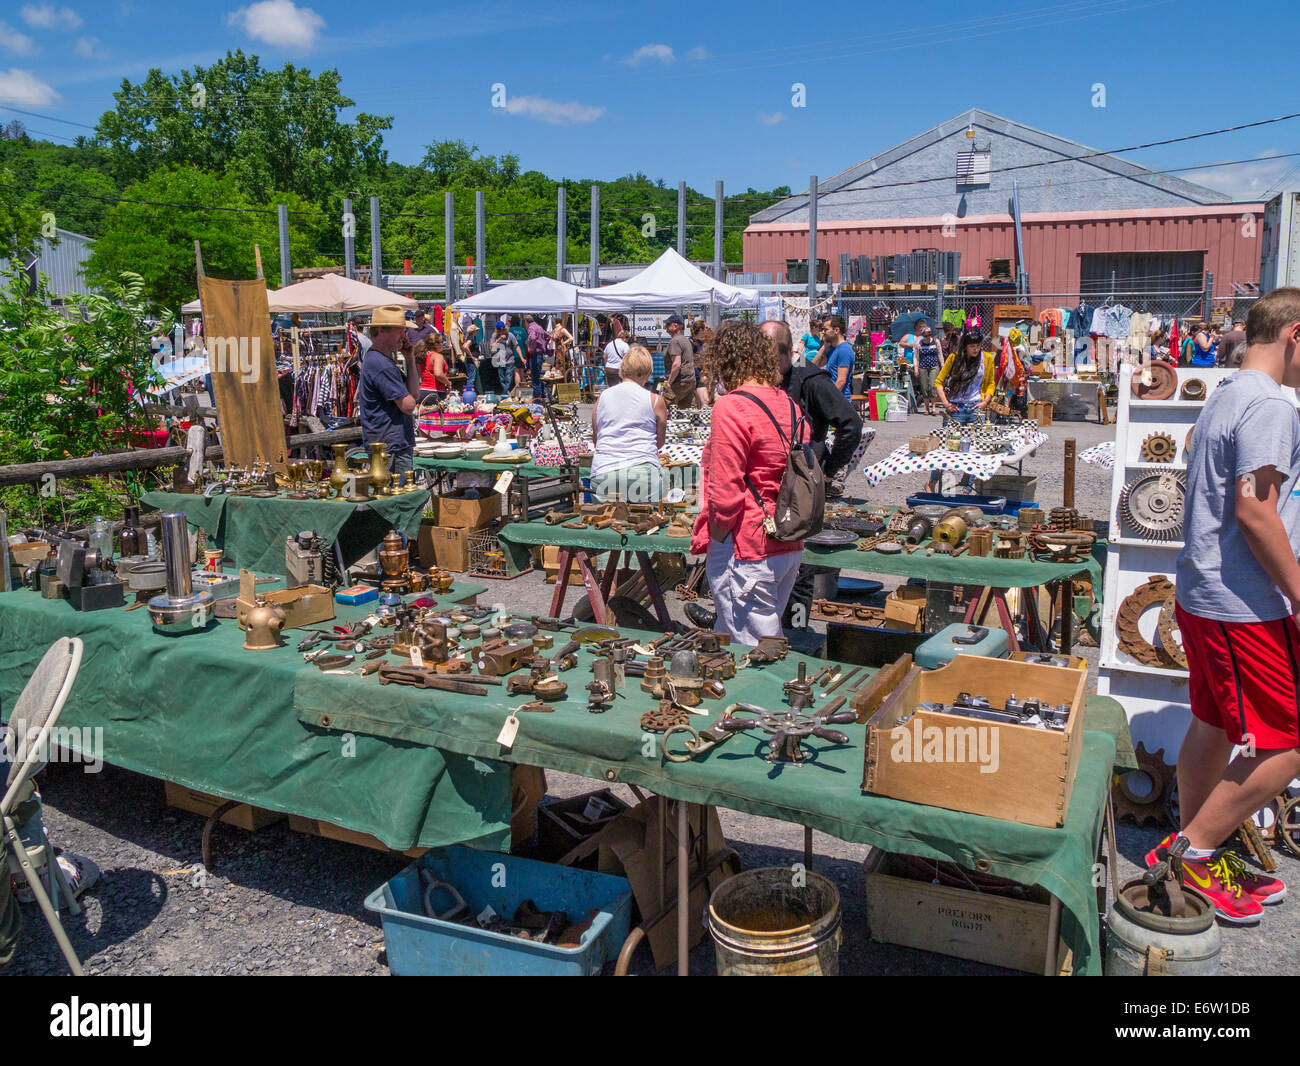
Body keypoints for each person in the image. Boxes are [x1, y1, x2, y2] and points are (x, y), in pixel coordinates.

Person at [1151, 287, 1300, 924]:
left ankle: (1201, 856)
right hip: (1242, 602)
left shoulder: (1229, 393)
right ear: (1296, 335)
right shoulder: (1269, 404)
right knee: (1289, 740)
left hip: (1209, 593)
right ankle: (1190, 854)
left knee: (1213, 723)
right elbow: (1255, 512)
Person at [691, 321, 808, 645]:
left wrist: (716, 538)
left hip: (746, 544)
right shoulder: (789, 404)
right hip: (786, 540)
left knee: (759, 653)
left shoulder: (732, 406)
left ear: (728, 362)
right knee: (741, 638)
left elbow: (726, 492)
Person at [761, 318, 865, 627]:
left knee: (801, 568)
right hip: (771, 493)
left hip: (802, 493)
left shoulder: (812, 381)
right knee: (771, 568)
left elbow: (851, 425)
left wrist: (829, 469)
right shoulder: (766, 382)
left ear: (785, 353)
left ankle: (797, 634)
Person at [589, 345, 667, 504]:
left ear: (622, 369)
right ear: (648, 372)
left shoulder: (602, 397)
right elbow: (659, 442)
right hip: (642, 473)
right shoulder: (656, 400)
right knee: (650, 522)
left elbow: (597, 439)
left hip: (603, 472)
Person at [358, 305, 420, 476]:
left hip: (394, 444)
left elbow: (414, 394)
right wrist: (410, 399)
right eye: (399, 330)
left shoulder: (382, 360)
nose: (404, 335)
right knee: (396, 500)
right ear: (381, 331)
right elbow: (408, 405)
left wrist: (410, 358)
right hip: (389, 448)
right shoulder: (381, 364)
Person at [934, 329, 996, 425]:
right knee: (952, 438)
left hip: (976, 407)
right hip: (956, 408)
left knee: (978, 438)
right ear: (965, 346)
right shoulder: (954, 358)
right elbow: (938, 382)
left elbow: (990, 383)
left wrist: (985, 402)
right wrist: (946, 403)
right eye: (972, 346)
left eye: (978, 346)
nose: (975, 349)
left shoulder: (987, 358)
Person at [662, 314, 698, 408]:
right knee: (687, 411)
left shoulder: (675, 341)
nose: (666, 327)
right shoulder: (685, 340)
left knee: (663, 405)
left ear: (675, 326)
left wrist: (669, 383)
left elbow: (676, 364)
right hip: (690, 380)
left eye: (668, 324)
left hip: (679, 381)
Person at [818, 315, 856, 399]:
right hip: (833, 398)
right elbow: (814, 364)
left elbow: (841, 381)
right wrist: (823, 347)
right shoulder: (832, 349)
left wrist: (826, 399)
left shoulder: (844, 350)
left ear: (836, 330)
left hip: (839, 401)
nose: (823, 332)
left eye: (826, 329)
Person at [914, 325, 943, 416]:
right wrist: (916, 368)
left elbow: (940, 354)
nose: (927, 337)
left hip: (934, 366)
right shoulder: (919, 343)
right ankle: (927, 408)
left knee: (932, 386)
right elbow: (916, 357)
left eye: (929, 335)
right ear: (922, 335)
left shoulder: (936, 341)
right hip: (923, 367)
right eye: (925, 336)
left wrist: (942, 365)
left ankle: (933, 407)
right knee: (924, 387)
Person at [415, 334, 449, 403]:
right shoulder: (437, 356)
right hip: (435, 393)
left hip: (421, 392)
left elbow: (420, 375)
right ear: (436, 344)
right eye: (441, 342)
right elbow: (438, 374)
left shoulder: (421, 356)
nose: (443, 343)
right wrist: (448, 382)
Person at [487, 320, 518, 396]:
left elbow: (516, 346)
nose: (502, 331)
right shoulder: (495, 335)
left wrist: (521, 356)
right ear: (497, 330)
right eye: (500, 330)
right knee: (502, 378)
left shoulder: (510, 335)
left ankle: (505, 392)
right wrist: (499, 339)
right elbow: (491, 346)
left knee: (508, 377)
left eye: (503, 329)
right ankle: (506, 391)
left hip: (510, 360)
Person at [524, 313, 549, 399]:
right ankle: (546, 396)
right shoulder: (539, 327)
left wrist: (531, 347)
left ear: (526, 322)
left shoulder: (531, 328)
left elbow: (533, 338)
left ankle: (537, 398)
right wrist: (543, 344)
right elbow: (548, 336)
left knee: (535, 378)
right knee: (537, 377)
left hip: (535, 354)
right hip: (540, 354)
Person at [603, 316, 629, 387]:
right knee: (620, 387)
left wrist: (606, 365)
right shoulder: (625, 345)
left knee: (611, 387)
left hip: (609, 369)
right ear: (624, 337)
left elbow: (604, 356)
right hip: (618, 369)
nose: (626, 340)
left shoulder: (610, 344)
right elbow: (627, 358)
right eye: (627, 338)